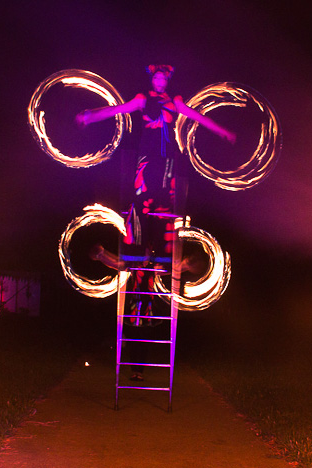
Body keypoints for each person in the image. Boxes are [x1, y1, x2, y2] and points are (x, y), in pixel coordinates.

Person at [77, 65, 235, 380]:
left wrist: (220, 130)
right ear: (151, 79)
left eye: (164, 78)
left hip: (166, 161)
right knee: (140, 206)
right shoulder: (141, 98)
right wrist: (90, 116)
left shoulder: (174, 101)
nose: (160, 81)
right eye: (156, 78)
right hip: (145, 159)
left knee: (162, 207)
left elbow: (196, 116)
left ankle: (139, 362)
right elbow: (118, 110)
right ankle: (141, 227)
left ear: (169, 80)